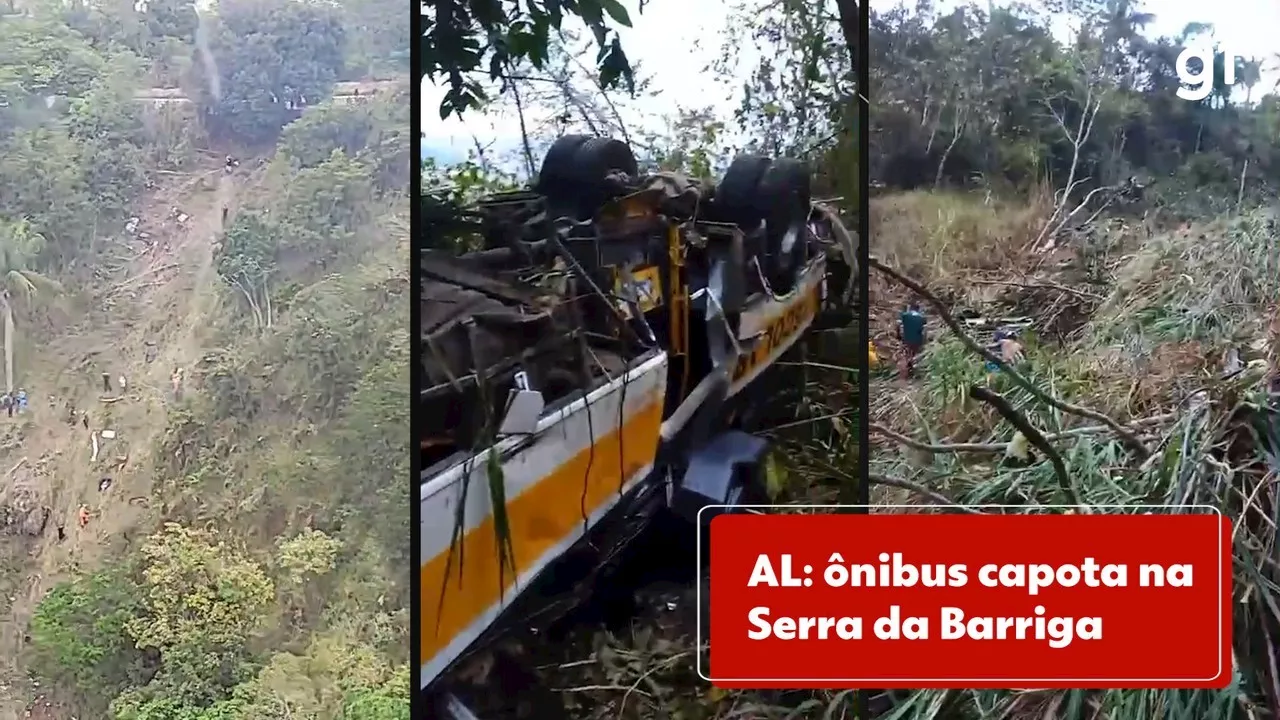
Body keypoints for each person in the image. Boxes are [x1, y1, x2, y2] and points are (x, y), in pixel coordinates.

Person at [897, 302, 926, 380]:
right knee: (915, 353)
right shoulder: (921, 317)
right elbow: (923, 330)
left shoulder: (905, 315)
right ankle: (914, 369)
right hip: (917, 339)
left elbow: (899, 325)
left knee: (907, 353)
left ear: (910, 308)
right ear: (918, 309)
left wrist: (898, 335)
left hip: (906, 338)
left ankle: (907, 369)